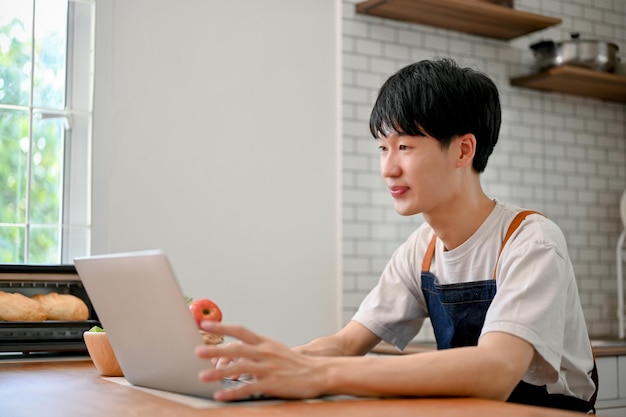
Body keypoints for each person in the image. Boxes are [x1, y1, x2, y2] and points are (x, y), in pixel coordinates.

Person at [194, 58, 598, 413]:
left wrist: (322, 375)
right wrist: (268, 363)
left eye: (404, 146)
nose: (388, 169)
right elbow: (347, 343)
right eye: (382, 149)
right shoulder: (420, 251)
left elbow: (495, 371)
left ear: (463, 150)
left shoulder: (532, 241)